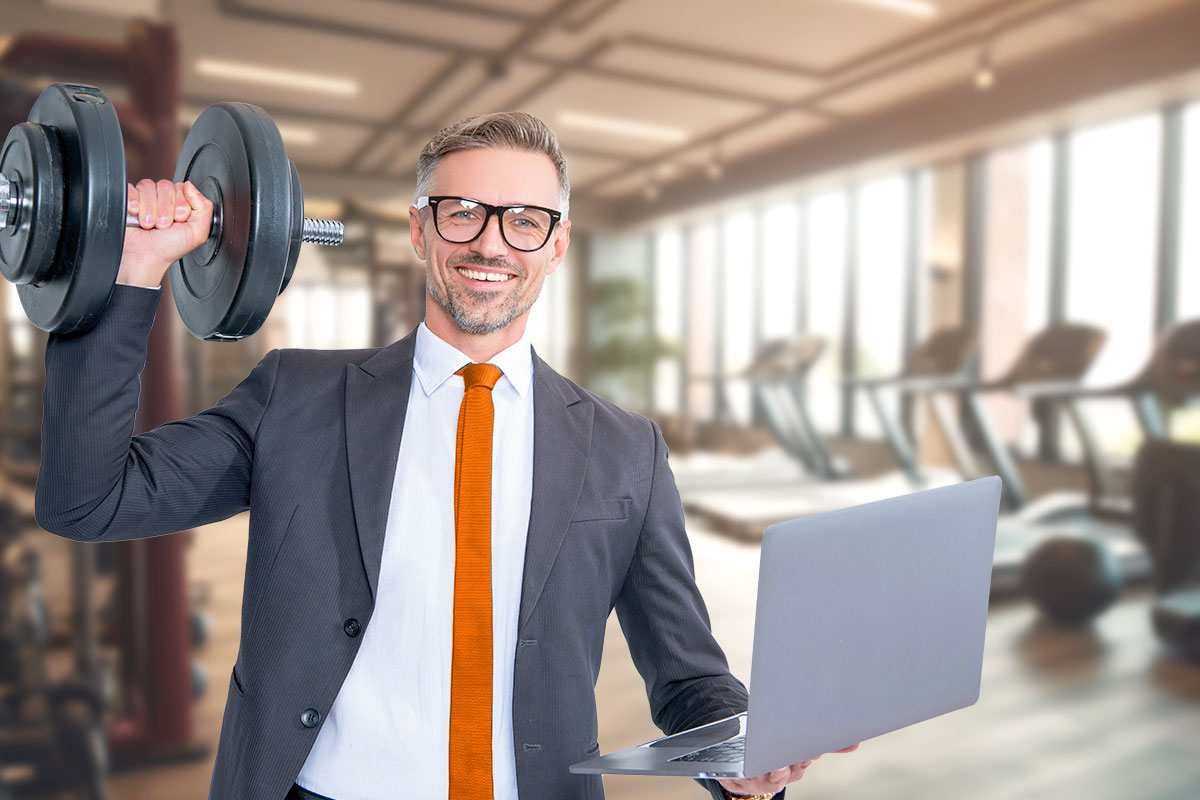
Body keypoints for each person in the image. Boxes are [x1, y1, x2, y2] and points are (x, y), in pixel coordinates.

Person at [36, 112, 853, 800]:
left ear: (556, 244)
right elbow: (88, 499)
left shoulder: (625, 448)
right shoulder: (299, 398)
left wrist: (742, 756)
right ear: (420, 229)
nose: (490, 243)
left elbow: (689, 676)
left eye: (524, 220)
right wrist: (134, 268)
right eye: (462, 211)